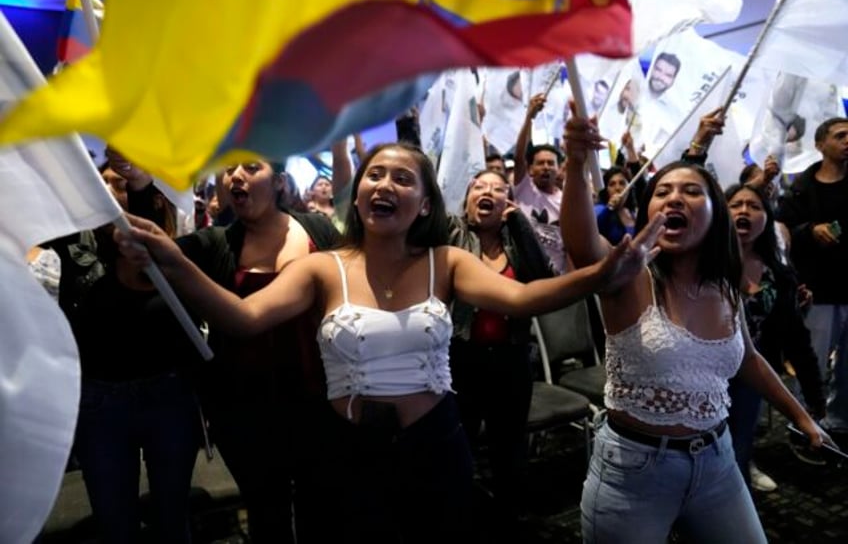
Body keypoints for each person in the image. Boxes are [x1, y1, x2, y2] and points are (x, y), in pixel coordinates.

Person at [116, 142, 661, 543]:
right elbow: (242, 317)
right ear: (358, 197)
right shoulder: (323, 268)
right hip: (345, 452)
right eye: (375, 175)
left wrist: (602, 274)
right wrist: (172, 258)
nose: (385, 185)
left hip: (434, 446)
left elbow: (524, 298)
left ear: (425, 205)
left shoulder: (446, 263)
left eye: (402, 179)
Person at [560, 107, 831, 544]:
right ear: (649, 209)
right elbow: (581, 241)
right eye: (662, 191)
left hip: (717, 462)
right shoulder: (629, 274)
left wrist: (802, 417)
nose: (673, 198)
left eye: (691, 191)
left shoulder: (725, 285)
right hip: (634, 474)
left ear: (713, 213)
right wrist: (574, 161)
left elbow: (749, 360)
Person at [119, 158, 340, 544]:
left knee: (321, 512)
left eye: (251, 167)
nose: (235, 176)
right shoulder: (215, 242)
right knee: (266, 514)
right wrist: (139, 185)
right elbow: (154, 257)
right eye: (229, 169)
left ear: (281, 183)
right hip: (247, 412)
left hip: (319, 403)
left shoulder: (318, 231)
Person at [72, 182, 201, 544]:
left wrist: (138, 179)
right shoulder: (80, 252)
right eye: (101, 181)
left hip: (169, 397)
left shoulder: (171, 253)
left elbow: (139, 224)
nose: (108, 191)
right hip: (100, 406)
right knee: (115, 525)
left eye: (118, 184)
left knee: (173, 520)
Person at [447, 169, 554, 534]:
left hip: (510, 360)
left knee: (508, 449)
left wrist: (521, 224)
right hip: (460, 358)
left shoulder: (515, 240)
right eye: (479, 186)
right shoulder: (454, 234)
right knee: (458, 447)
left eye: (497, 188)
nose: (487, 192)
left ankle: (507, 520)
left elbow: (542, 280)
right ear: (467, 198)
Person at [725, 183, 825, 491]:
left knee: (738, 447)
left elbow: (796, 336)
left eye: (754, 206)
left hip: (752, 373)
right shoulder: (700, 265)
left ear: (767, 219)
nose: (744, 210)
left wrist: (813, 393)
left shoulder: (779, 275)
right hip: (700, 373)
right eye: (736, 204)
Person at [778, 117, 848, 447]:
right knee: (813, 364)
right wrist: (810, 230)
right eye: (841, 135)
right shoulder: (799, 189)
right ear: (819, 145)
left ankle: (840, 422)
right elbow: (783, 231)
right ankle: (804, 425)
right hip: (817, 291)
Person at [513, 93, 567, 273]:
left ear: (559, 169)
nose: (546, 167)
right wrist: (529, 117)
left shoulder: (567, 202)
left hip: (556, 278)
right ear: (530, 169)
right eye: (540, 163)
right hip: (524, 274)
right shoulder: (525, 190)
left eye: (551, 163)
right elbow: (519, 156)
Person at [594, 167, 636, 245]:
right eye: (612, 184)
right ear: (606, 190)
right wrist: (609, 209)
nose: (617, 188)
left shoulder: (633, 213)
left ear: (629, 188)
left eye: (622, 183)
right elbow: (595, 228)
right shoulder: (599, 209)